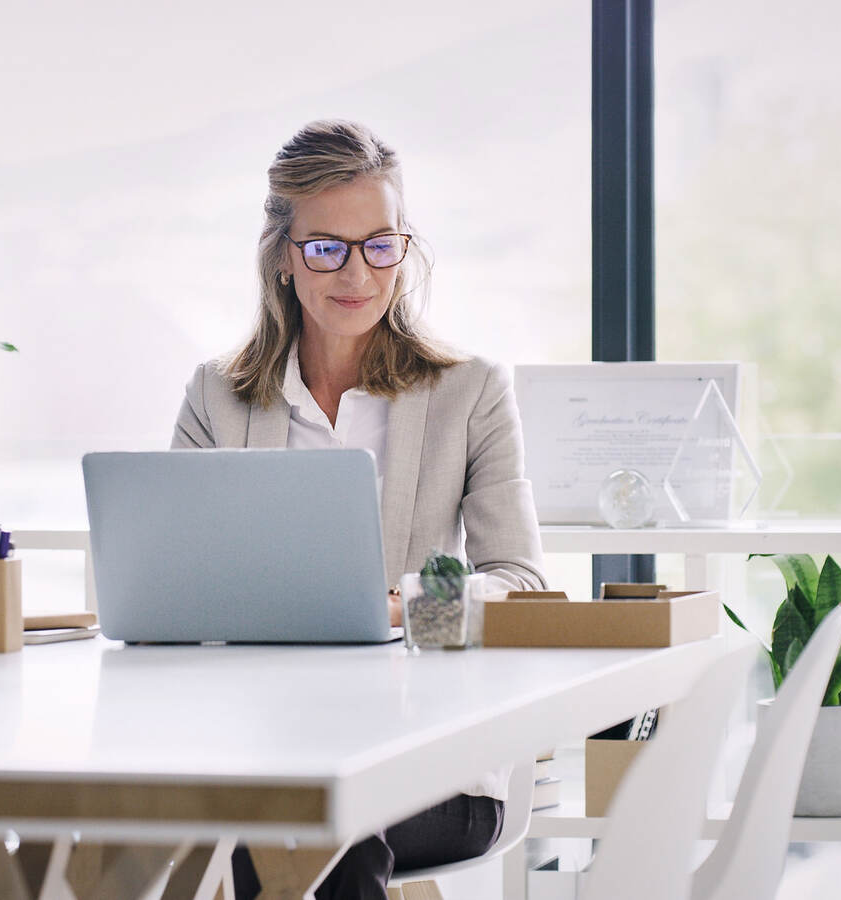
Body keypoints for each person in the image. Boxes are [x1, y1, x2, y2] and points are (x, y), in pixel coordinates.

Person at [170, 119, 547, 900]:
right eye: (325, 247)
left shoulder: (469, 391)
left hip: (433, 763)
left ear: (404, 249)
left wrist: (410, 605)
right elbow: (175, 577)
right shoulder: (217, 395)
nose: (357, 272)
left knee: (317, 815)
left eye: (380, 244)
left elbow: (521, 579)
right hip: (260, 746)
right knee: (261, 812)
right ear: (282, 257)